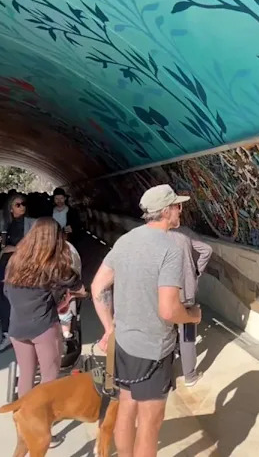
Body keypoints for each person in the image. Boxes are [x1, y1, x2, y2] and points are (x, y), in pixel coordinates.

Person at [91, 185, 201, 457]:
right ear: (166, 212)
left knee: (127, 408)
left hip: (125, 345)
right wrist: (191, 317)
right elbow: (168, 310)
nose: (180, 210)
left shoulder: (125, 241)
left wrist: (109, 328)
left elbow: (97, 288)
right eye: (177, 206)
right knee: (150, 424)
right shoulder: (170, 248)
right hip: (153, 348)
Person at [4, 218, 84, 398]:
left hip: (17, 326)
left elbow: (6, 291)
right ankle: (44, 416)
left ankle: (23, 417)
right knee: (49, 377)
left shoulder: (14, 262)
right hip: (43, 327)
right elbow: (79, 289)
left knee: (26, 375)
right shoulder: (55, 265)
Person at [168, 225, 213, 387]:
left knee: (166, 331)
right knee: (187, 334)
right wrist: (195, 271)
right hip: (186, 290)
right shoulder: (184, 233)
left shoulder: (151, 235)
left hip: (164, 292)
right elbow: (207, 250)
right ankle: (190, 376)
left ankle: (166, 374)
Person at [0, 193, 35, 354]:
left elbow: (36, 246)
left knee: (23, 298)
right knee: (5, 299)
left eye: (23, 203)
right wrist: (2, 244)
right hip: (5, 264)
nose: (22, 207)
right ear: (10, 207)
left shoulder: (31, 223)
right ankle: (7, 334)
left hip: (22, 265)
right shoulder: (5, 223)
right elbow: (4, 247)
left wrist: (15, 248)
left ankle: (24, 334)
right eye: (18, 204)